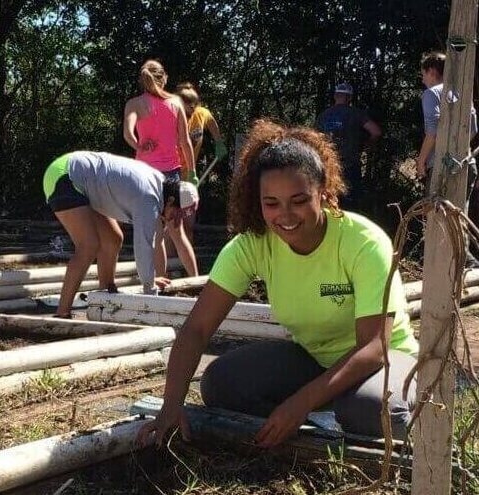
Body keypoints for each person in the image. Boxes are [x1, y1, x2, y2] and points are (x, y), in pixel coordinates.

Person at [138, 120, 418, 450]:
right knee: (221, 383)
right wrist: (171, 405)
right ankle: (297, 435)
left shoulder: (363, 243)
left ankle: (407, 416)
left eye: (299, 200)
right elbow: (197, 328)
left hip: (385, 360)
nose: (285, 215)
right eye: (271, 203)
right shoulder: (252, 245)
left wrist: (301, 403)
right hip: (314, 358)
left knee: (371, 408)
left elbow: (374, 348)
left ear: (323, 191)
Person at [43, 151, 199, 317]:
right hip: (65, 177)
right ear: (171, 201)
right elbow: (144, 246)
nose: (174, 220)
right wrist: (150, 290)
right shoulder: (148, 199)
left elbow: (156, 238)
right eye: (176, 214)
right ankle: (63, 312)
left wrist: (154, 280)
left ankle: (105, 294)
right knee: (89, 245)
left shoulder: (160, 187)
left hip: (82, 179)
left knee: (113, 238)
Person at [123, 59, 198, 279]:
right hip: (171, 175)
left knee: (156, 235)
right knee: (178, 233)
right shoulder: (176, 103)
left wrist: (139, 145)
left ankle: (161, 285)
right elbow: (185, 142)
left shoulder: (134, 104)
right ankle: (196, 281)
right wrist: (192, 174)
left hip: (144, 176)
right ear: (163, 77)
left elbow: (128, 132)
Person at [416, 51, 478, 267]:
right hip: (466, 163)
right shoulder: (461, 93)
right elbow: (473, 129)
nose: (423, 79)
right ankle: (462, 265)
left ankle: (458, 266)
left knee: (438, 218)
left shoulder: (432, 94)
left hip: (441, 166)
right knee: (458, 215)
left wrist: (421, 161)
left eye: (423, 74)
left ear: (432, 71)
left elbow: (432, 132)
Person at [315, 82, 382, 211]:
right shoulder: (356, 114)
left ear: (335, 96)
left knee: (329, 202)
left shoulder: (323, 116)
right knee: (351, 204)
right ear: (349, 98)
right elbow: (376, 131)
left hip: (328, 166)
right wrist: (368, 145)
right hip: (350, 165)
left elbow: (315, 139)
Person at [175, 82, 228, 243]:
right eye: (186, 109)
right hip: (171, 174)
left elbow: (211, 122)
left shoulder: (200, 113)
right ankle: (169, 257)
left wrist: (218, 141)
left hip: (189, 176)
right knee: (172, 224)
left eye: (193, 107)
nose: (190, 113)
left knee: (188, 224)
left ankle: (184, 257)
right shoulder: (170, 117)